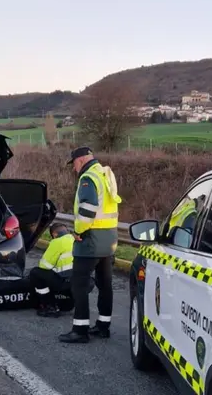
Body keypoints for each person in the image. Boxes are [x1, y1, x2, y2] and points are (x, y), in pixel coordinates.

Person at [59, 147, 122, 343]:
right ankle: (103, 326)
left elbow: (87, 210)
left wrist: (78, 231)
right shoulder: (104, 174)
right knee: (105, 284)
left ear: (80, 160)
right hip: (109, 239)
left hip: (91, 240)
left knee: (79, 284)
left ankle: (80, 329)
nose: (73, 169)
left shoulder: (88, 178)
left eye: (74, 164)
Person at [29, 223, 75, 317]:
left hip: (66, 281)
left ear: (54, 234)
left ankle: (49, 306)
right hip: (81, 279)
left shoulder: (57, 242)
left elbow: (44, 266)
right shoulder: (75, 239)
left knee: (35, 273)